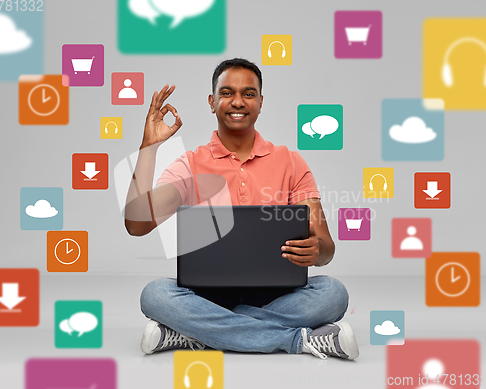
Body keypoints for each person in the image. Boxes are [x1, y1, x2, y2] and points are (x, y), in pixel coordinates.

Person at [124, 58, 359, 360]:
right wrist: (149, 146)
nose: (238, 101)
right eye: (226, 93)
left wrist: (317, 250)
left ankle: (193, 333)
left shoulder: (290, 161)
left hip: (276, 295)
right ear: (212, 102)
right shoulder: (190, 165)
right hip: (206, 295)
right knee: (155, 295)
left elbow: (327, 247)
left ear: (261, 102)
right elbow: (136, 224)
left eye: (249, 94)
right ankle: (299, 341)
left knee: (333, 293)